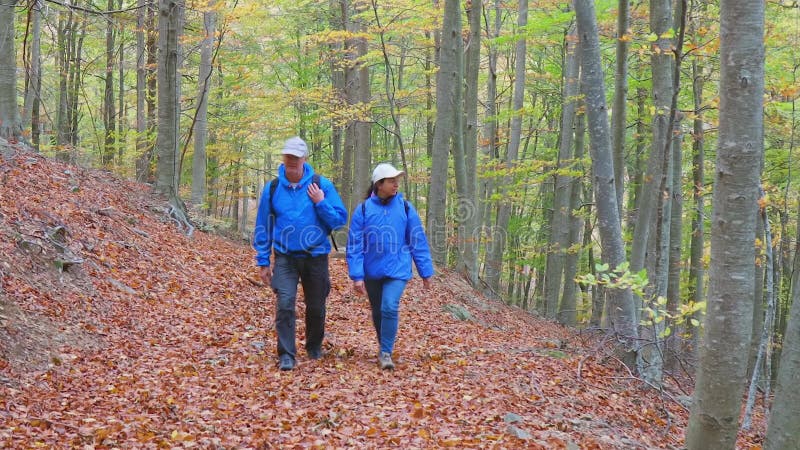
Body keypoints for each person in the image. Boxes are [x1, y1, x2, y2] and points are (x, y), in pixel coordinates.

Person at [253, 136, 347, 371]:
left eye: (296, 157)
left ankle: (314, 346)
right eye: (288, 157)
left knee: (316, 306)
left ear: (304, 158)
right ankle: (286, 354)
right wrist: (263, 260)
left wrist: (320, 202)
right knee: (285, 302)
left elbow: (338, 221)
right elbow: (263, 225)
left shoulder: (321, 185)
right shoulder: (272, 188)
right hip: (285, 256)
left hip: (316, 256)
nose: (291, 161)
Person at [346, 163, 434, 370]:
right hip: (372, 270)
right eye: (391, 181)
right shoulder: (364, 209)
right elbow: (355, 244)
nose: (396, 184)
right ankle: (383, 345)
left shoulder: (405, 207)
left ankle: (386, 352)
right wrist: (357, 276)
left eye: (397, 180)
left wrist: (425, 272)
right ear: (379, 184)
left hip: (398, 269)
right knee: (378, 311)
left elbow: (417, 240)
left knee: (389, 306)